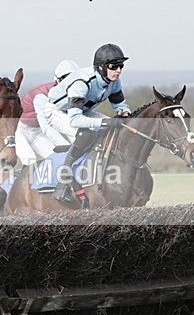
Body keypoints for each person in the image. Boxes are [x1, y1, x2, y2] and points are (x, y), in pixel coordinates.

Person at [39, 43, 133, 204]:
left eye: (121, 66)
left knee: (114, 128)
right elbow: (75, 120)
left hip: (80, 110)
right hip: (57, 111)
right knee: (86, 134)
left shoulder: (114, 82)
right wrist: (104, 122)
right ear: (101, 67)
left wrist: (125, 113)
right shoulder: (81, 83)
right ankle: (62, 185)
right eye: (113, 66)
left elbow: (120, 106)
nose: (118, 71)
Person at [15, 60, 79, 166]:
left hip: (37, 132)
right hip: (19, 130)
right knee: (29, 159)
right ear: (58, 81)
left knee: (55, 158)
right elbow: (47, 128)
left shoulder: (68, 96)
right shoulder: (43, 96)